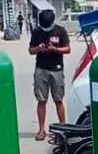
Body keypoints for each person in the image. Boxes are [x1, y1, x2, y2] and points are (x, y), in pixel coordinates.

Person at [29, 9, 70, 141]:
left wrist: (55, 49)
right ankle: (41, 130)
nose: (45, 29)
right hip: (41, 69)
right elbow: (31, 50)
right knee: (41, 100)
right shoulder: (36, 32)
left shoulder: (60, 31)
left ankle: (63, 129)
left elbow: (68, 48)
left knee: (58, 100)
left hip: (57, 70)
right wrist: (38, 49)